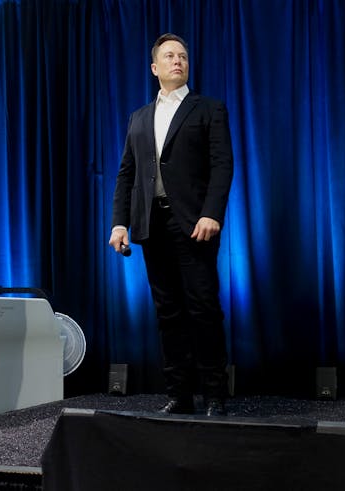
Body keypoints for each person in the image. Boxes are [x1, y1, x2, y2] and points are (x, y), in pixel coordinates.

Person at [109, 33, 234, 416]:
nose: (177, 60)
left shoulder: (208, 109)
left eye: (182, 55)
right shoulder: (139, 117)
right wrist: (120, 224)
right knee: (168, 313)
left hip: (194, 223)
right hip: (153, 225)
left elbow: (222, 165)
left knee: (203, 308)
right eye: (169, 56)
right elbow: (127, 174)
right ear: (155, 68)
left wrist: (212, 212)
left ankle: (214, 395)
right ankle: (178, 395)